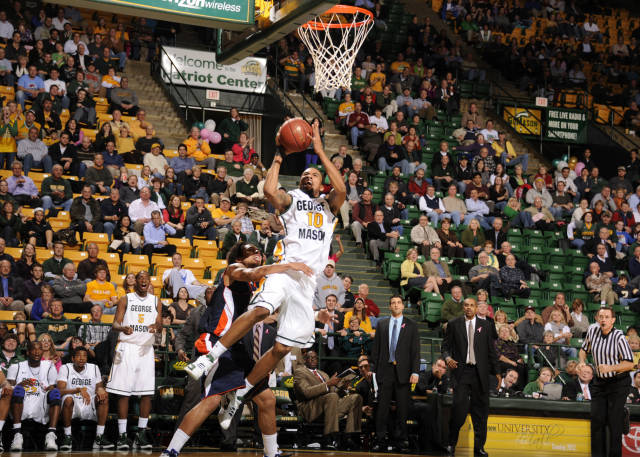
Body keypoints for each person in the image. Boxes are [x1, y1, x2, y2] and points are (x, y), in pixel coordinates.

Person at [184, 123, 344, 433]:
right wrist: (280, 155)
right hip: (285, 270)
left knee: (282, 349)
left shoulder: (329, 207)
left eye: (312, 175)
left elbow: (342, 189)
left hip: (306, 283)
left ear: (321, 180)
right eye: (304, 175)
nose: (307, 177)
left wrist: (320, 151)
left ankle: (239, 395)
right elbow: (270, 191)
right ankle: (209, 358)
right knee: (259, 311)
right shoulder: (293, 199)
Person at [161, 243, 306, 457]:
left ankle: (271, 452)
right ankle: (170, 451)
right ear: (238, 257)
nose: (257, 253)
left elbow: (265, 312)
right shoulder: (233, 270)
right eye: (251, 251)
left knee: (267, 400)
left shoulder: (254, 287)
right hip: (216, 342)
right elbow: (254, 273)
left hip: (237, 348)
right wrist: (289, 265)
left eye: (259, 252)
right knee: (212, 400)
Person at [106, 271, 162, 450]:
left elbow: (160, 324)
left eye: (147, 278)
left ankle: (141, 434)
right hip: (127, 347)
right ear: (135, 282)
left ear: (149, 282)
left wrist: (156, 327)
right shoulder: (126, 299)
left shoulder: (156, 301)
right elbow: (115, 324)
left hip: (146, 349)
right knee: (123, 392)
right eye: (140, 278)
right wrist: (123, 328)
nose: (144, 280)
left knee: (146, 393)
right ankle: (122, 435)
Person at [442, 297, 498, 456]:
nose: (468, 308)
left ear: (476, 308)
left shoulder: (486, 326)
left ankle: (479, 448)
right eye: (466, 305)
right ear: (463, 307)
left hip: (480, 374)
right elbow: (445, 347)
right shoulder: (454, 324)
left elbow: (491, 351)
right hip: (461, 373)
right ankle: (451, 445)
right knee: (458, 411)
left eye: (472, 305)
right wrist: (447, 358)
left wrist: (498, 372)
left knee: (481, 414)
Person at [580, 306, 634, 457]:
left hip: (618, 383)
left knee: (614, 422)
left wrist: (611, 367)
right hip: (599, 382)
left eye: (606, 317)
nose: (603, 320)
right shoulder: (592, 331)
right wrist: (582, 362)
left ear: (613, 320)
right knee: (597, 420)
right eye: (601, 317)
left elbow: (629, 364)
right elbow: (583, 350)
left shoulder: (619, 337)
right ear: (597, 318)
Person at [370, 295, 419, 452]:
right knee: (382, 408)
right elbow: (376, 349)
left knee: (402, 409)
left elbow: (415, 351)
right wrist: (373, 369)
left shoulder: (411, 325)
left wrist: (415, 371)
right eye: (393, 303)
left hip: (404, 372)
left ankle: (402, 440)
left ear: (403, 306)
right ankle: (380, 440)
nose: (396, 305)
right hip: (385, 371)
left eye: (398, 303)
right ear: (389, 306)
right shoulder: (382, 324)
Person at [293, 349, 362, 450]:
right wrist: (328, 384)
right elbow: (306, 392)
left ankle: (350, 437)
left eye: (314, 357)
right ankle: (330, 437)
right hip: (310, 408)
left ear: (317, 360)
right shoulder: (300, 372)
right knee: (332, 397)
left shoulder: (324, 374)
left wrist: (342, 387)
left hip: (330, 407)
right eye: (309, 357)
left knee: (356, 398)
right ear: (304, 360)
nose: (312, 359)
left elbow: (334, 392)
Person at [1, 341, 60, 451]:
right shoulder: (16, 367)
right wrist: (19, 385)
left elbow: (53, 386)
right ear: (28, 352)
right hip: (21, 402)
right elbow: (9, 389)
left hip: (41, 402)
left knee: (55, 393)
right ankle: (17, 435)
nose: (37, 352)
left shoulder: (49, 366)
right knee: (18, 390)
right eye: (34, 349)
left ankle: (51, 435)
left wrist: (49, 388)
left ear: (43, 351)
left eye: (40, 349)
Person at [56, 346, 111, 450]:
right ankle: (67, 437)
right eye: (78, 356)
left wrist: (100, 389)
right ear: (73, 358)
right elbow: (59, 391)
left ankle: (99, 437)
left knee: (104, 398)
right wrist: (78, 390)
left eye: (84, 356)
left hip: (89, 403)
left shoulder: (94, 368)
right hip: (72, 404)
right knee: (68, 399)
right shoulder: (65, 368)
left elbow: (99, 387)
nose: (81, 358)